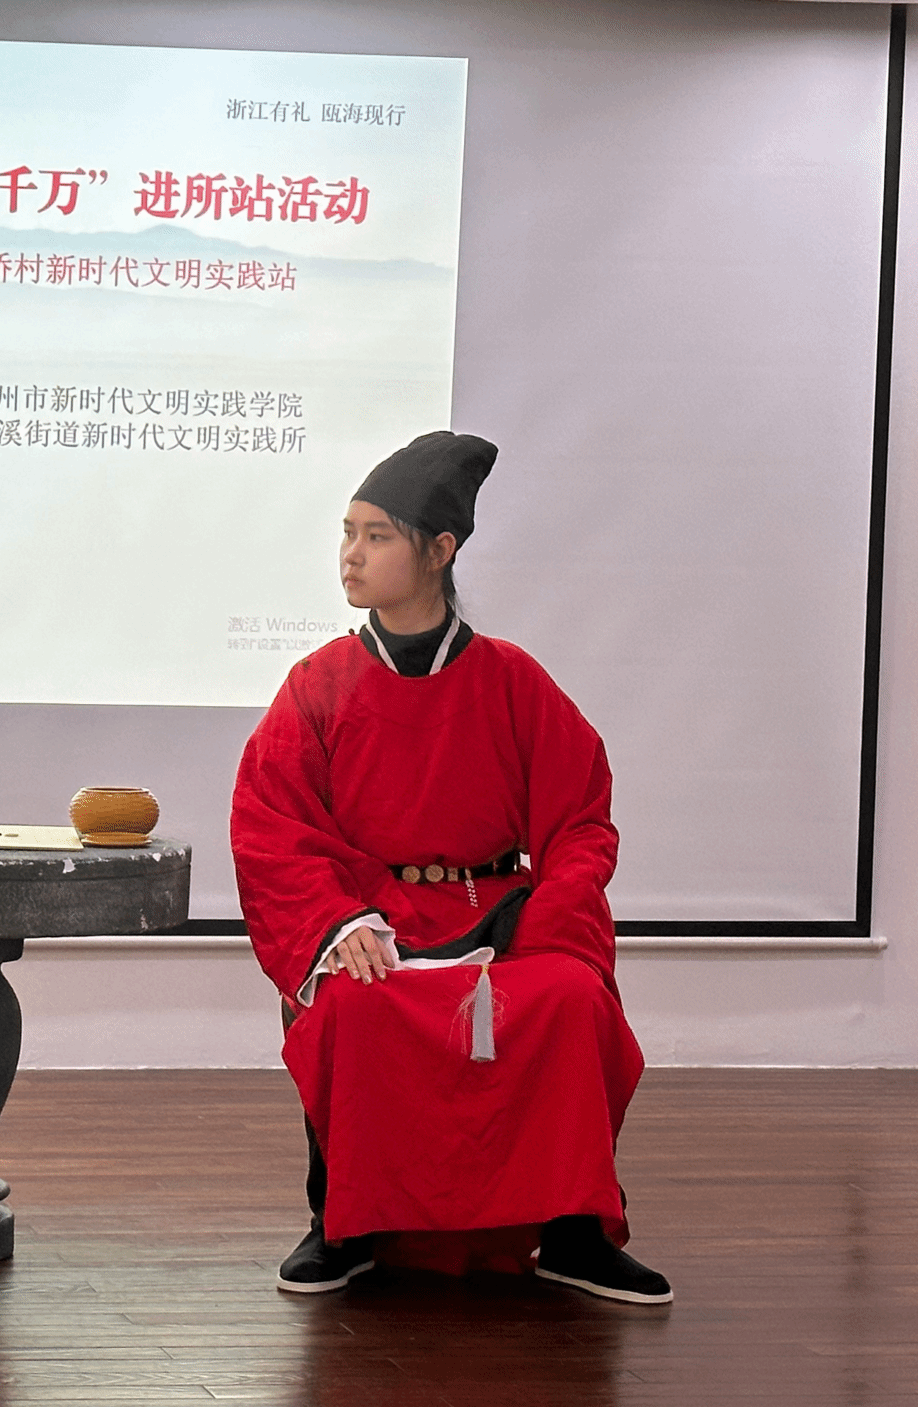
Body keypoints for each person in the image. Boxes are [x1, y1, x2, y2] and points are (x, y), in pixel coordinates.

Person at [229, 431, 671, 1305]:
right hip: (376, 915)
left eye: (376, 536)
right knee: (351, 1004)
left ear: (439, 551)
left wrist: (549, 921)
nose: (351, 555)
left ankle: (573, 1229)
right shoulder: (317, 685)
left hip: (501, 911)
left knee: (570, 998)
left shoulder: (513, 680)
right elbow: (273, 824)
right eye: (347, 533)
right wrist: (338, 923)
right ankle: (344, 1223)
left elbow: (582, 819)